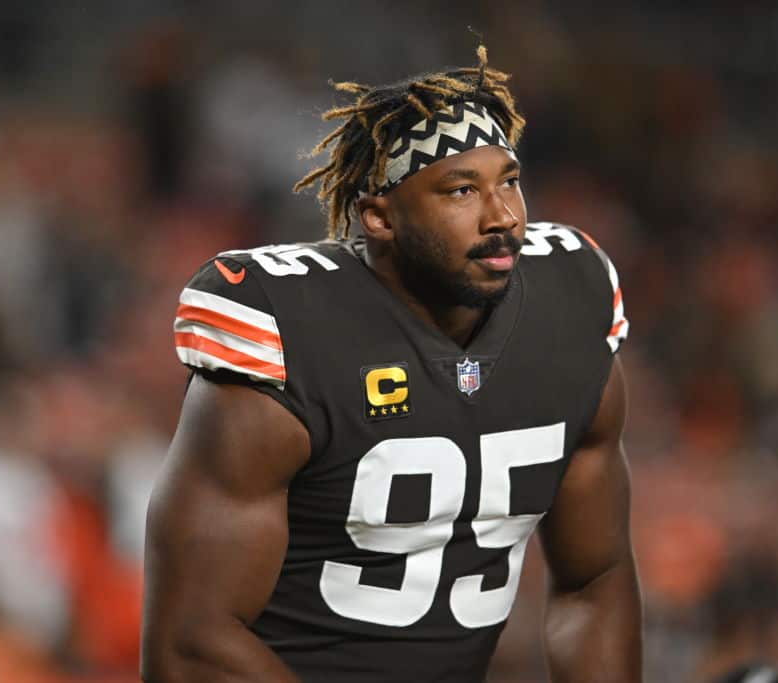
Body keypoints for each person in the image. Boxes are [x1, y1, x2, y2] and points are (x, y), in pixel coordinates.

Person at [141, 46, 642, 682]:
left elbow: (594, 580)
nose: (503, 217)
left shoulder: (571, 302)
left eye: (509, 181)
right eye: (461, 190)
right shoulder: (290, 331)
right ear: (379, 216)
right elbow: (190, 647)